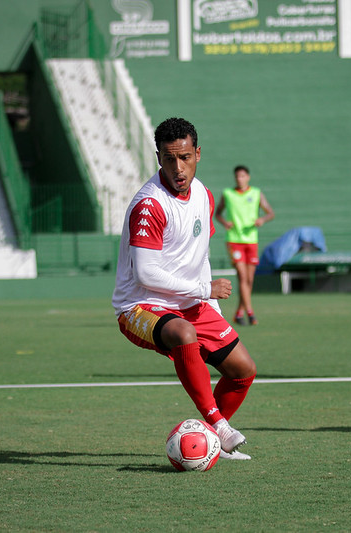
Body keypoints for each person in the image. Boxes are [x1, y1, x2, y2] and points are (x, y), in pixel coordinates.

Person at [112, 117, 257, 460]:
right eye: (169, 158)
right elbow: (147, 274)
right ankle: (217, 426)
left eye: (186, 157)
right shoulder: (150, 205)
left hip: (191, 303)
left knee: (243, 371)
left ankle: (203, 445)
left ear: (198, 154)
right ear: (158, 157)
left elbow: (200, 255)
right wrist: (204, 289)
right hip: (140, 306)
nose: (178, 167)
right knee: (183, 331)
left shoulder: (204, 196)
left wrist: (211, 308)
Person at [215, 165, 274, 325]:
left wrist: (262, 219)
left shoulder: (256, 193)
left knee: (249, 279)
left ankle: (239, 313)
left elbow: (270, 212)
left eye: (242, 176)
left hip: (251, 240)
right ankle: (251, 313)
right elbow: (217, 213)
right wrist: (225, 222)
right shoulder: (228, 194)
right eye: (237, 177)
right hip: (234, 240)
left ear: (248, 177)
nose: (240, 179)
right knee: (242, 276)